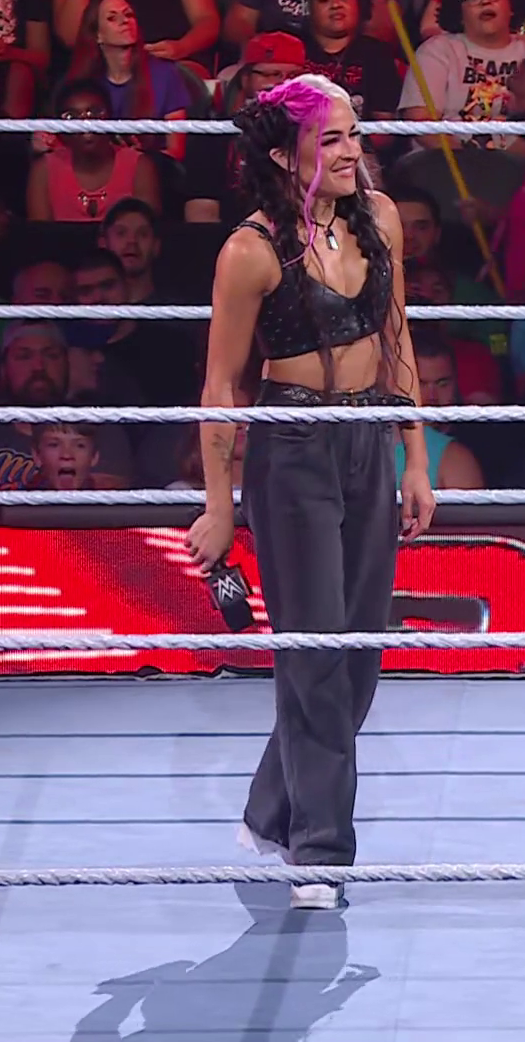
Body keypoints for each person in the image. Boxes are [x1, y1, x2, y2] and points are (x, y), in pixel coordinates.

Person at [185, 73, 438, 911]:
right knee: (315, 652)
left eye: (353, 133)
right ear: (284, 155)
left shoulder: (380, 218)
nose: (351, 151)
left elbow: (397, 337)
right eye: (330, 139)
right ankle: (320, 850)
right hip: (293, 449)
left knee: (356, 655)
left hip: (369, 441)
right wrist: (219, 505)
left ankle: (269, 807)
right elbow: (221, 385)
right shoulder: (250, 252)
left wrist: (416, 456)